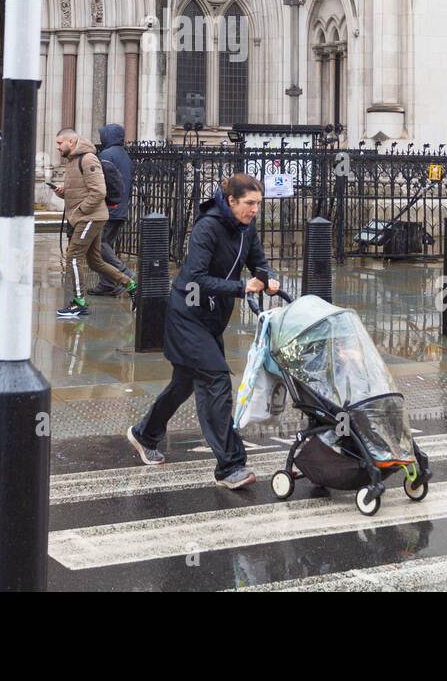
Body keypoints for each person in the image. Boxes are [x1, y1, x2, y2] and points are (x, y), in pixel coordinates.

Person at [126, 173, 279, 489]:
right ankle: (230, 466)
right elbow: (194, 278)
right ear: (232, 200)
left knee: (184, 382)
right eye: (249, 203)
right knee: (216, 379)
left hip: (211, 319)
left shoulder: (246, 228)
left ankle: (144, 434)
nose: (254, 210)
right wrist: (240, 287)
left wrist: (269, 278)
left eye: (258, 204)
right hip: (187, 314)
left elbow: (258, 262)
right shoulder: (207, 227)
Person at [53, 127, 133, 319]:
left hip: (89, 217)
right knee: (95, 262)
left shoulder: (87, 159)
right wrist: (63, 191)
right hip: (87, 216)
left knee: (73, 257)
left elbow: (98, 191)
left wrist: (80, 211)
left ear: (71, 142)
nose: (57, 147)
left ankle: (79, 302)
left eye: (59, 143)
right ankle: (131, 284)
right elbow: (81, 190)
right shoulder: (73, 160)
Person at [87, 121, 135, 298]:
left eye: (103, 134)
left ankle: (126, 274)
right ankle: (107, 284)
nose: (101, 137)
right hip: (120, 208)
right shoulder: (124, 154)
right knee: (106, 243)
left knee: (98, 244)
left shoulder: (107, 154)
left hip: (109, 208)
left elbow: (101, 181)